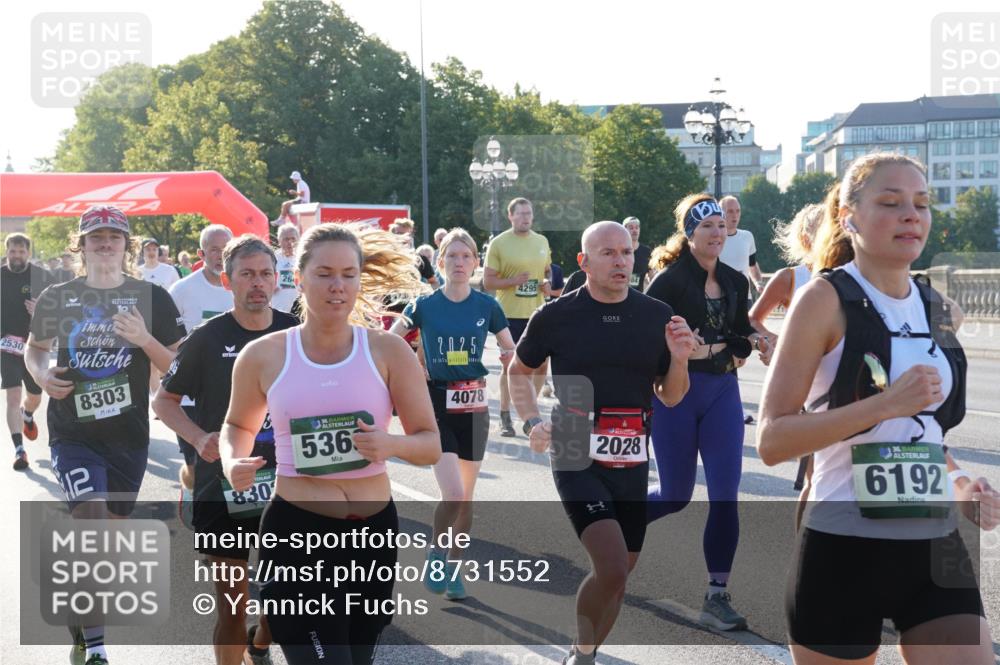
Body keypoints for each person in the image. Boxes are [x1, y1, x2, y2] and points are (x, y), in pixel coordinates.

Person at [757, 152, 999, 664]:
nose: (911, 215)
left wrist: (962, 485)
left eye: (921, 203)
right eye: (891, 202)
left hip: (934, 545)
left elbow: (924, 434)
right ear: (850, 218)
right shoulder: (823, 299)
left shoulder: (939, 309)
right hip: (843, 547)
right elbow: (773, 440)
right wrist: (883, 404)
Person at [220, 223, 440, 664]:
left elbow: (430, 443)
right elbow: (236, 425)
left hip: (372, 536)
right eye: (324, 274)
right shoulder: (263, 355)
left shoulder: (389, 351)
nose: (337, 286)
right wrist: (231, 461)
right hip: (296, 534)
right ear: (298, 278)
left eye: (348, 274)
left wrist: (390, 445)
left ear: (359, 280)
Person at [509, 221, 695, 665]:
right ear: (584, 261)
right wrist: (532, 421)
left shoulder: (656, 314)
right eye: (608, 253)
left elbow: (671, 395)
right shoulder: (556, 315)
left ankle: (585, 651)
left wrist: (681, 360)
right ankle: (582, 656)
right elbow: (518, 371)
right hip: (574, 448)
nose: (620, 261)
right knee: (610, 568)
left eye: (626, 252)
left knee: (619, 577)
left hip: (632, 455)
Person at [25, 205, 185, 665]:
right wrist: (41, 376)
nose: (106, 243)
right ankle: (96, 648)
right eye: (96, 236)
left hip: (129, 437)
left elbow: (177, 368)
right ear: (81, 244)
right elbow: (35, 351)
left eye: (115, 236)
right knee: (92, 526)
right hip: (73, 434)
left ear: (127, 245)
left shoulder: (152, 298)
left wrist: (144, 339)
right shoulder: (58, 296)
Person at [155, 235, 295, 665]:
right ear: (226, 280)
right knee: (232, 607)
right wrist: (199, 439)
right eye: (247, 274)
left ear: (276, 280)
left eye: (266, 274)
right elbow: (163, 401)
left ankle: (261, 641)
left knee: (286, 601)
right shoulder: (206, 338)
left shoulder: (296, 332)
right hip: (223, 485)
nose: (258, 283)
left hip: (288, 484)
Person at [644, 194, 771, 631]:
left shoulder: (734, 280)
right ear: (689, 234)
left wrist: (758, 341)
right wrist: (679, 351)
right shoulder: (668, 282)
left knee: (725, 494)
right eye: (707, 226)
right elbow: (644, 339)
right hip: (676, 395)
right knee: (675, 495)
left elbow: (741, 330)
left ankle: (717, 595)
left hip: (722, 393)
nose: (718, 233)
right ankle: (613, 524)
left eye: (721, 225)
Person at [390, 228, 516, 600]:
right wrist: (412, 369)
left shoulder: (487, 306)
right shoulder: (424, 305)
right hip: (437, 405)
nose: (459, 262)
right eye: (452, 256)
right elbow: (391, 339)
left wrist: (514, 361)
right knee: (454, 493)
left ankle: (455, 567)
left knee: (466, 497)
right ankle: (436, 551)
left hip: (474, 405)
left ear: (475, 262)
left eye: (466, 256)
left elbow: (510, 349)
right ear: (441, 261)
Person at [167, 224, 235, 522]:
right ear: (201, 253)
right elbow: (168, 342)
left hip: (236, 391)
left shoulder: (244, 286)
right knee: (197, 466)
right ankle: (191, 488)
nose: (221, 255)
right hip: (191, 395)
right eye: (214, 250)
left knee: (231, 460)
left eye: (226, 249)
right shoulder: (181, 291)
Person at [483, 197, 551, 437]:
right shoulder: (499, 243)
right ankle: (505, 415)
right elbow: (488, 282)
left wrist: (546, 283)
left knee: (541, 365)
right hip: (509, 314)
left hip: (537, 313)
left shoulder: (541, 241)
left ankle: (531, 414)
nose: (525, 217)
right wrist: (514, 281)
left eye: (528, 213)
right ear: (510, 216)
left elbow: (546, 271)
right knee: (510, 365)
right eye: (520, 213)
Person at [2, 233, 51, 470]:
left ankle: (28, 414)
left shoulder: (42, 277)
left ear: (28, 253)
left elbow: (59, 310)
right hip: (6, 346)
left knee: (34, 396)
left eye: (21, 252)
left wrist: (41, 310)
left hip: (34, 345)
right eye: (13, 251)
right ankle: (19, 450)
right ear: (6, 251)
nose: (17, 256)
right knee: (12, 396)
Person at [748, 203, 824, 355]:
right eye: (822, 231)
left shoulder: (853, 273)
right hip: (800, 366)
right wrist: (777, 343)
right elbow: (753, 320)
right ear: (805, 239)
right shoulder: (789, 278)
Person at [718, 195, 764, 295]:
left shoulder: (747, 236)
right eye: (730, 211)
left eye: (738, 211)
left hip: (744, 298)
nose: (735, 215)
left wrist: (758, 283)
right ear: (720, 213)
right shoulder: (713, 239)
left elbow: (752, 265)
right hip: (720, 298)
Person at [272, 223, 300, 313]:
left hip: (298, 310)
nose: (290, 242)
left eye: (293, 239)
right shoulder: (272, 258)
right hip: (278, 309)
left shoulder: (303, 258)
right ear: (279, 240)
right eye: (286, 239)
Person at [622, 217, 652, 289]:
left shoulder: (647, 251)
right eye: (631, 228)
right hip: (619, 293)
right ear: (624, 230)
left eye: (637, 227)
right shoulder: (619, 250)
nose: (634, 230)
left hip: (639, 293)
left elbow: (651, 275)